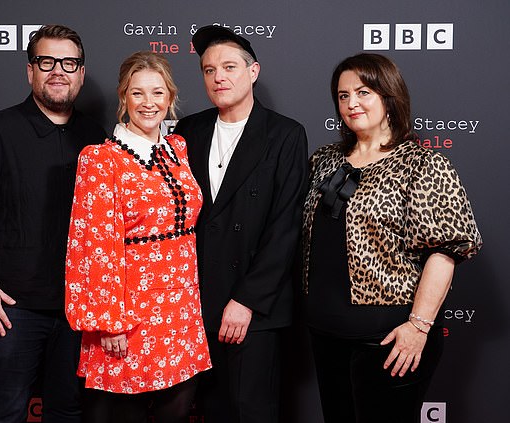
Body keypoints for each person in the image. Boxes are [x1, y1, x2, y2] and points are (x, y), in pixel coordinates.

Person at [301, 53, 482, 423]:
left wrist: (418, 328)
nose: (351, 103)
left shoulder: (423, 163)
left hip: (390, 338)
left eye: (363, 92)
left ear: (389, 97)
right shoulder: (325, 159)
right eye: (343, 95)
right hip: (326, 333)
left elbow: (444, 252)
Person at [0, 24, 106, 423]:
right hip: (12, 310)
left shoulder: (95, 137)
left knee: (68, 411)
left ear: (81, 73)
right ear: (30, 70)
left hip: (76, 310)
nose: (59, 71)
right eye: (47, 61)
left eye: (69, 63)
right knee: (9, 412)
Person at [65, 51, 211, 423]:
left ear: (171, 97)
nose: (150, 103)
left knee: (176, 410)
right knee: (122, 413)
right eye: (138, 93)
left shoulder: (177, 149)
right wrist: (110, 320)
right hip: (128, 311)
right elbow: (93, 245)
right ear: (123, 97)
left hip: (181, 310)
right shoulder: (100, 159)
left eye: (158, 93)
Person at [174, 26, 308, 423]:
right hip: (196, 305)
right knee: (208, 410)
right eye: (209, 69)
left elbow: (286, 225)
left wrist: (247, 300)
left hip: (255, 307)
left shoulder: (285, 134)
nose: (219, 77)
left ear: (253, 72)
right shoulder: (188, 131)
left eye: (229, 67)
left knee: (251, 411)